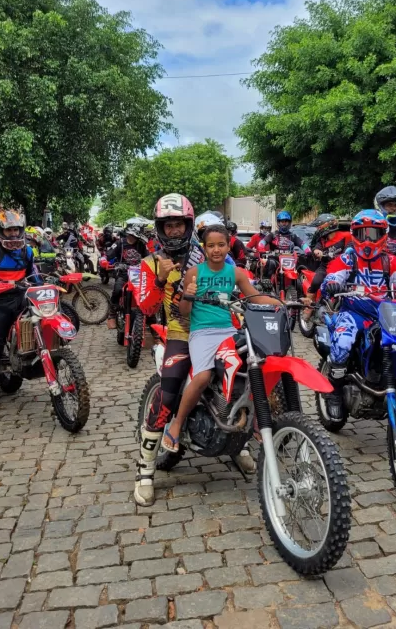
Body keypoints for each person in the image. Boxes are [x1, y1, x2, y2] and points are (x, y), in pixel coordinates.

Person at [162, 224, 277, 452]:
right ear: (204, 248)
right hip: (201, 333)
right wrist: (188, 295)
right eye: (211, 245)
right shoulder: (195, 273)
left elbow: (253, 297)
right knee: (203, 375)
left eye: (221, 245)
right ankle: (176, 424)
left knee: (252, 368)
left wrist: (281, 305)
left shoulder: (235, 273)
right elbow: (184, 310)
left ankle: (256, 421)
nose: (216, 250)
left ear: (228, 246)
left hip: (228, 331)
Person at [320, 209, 396, 421]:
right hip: (353, 313)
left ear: (383, 235)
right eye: (362, 234)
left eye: (373, 234)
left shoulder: (390, 261)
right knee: (343, 344)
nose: (367, 240)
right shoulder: (347, 258)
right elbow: (333, 276)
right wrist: (332, 284)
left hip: (385, 315)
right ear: (355, 235)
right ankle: (333, 393)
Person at [134, 193, 204, 506]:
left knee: (245, 371)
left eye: (179, 225)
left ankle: (241, 441)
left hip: (217, 329)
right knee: (169, 389)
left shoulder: (210, 255)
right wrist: (161, 280)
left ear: (189, 225)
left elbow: (236, 281)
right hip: (179, 333)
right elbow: (145, 307)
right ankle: (145, 470)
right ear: (160, 229)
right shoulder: (148, 263)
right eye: (168, 225)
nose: (174, 231)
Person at [0, 211, 40, 411]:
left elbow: (33, 272)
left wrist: (43, 284)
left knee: (40, 323)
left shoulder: (27, 251)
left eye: (16, 230)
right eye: (9, 230)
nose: (13, 234)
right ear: (1, 231)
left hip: (21, 296)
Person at [302, 214, 352, 319]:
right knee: (316, 282)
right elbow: (316, 249)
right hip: (326, 266)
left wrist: (348, 252)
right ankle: (308, 308)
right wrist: (317, 252)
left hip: (343, 268)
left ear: (326, 226)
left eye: (319, 227)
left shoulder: (346, 236)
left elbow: (351, 246)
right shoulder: (323, 240)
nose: (318, 229)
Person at [106, 224, 149, 329]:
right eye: (132, 235)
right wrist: (113, 263)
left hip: (138, 274)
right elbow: (109, 254)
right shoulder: (119, 243)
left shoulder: (141, 244)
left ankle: (150, 318)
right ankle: (112, 314)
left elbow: (148, 257)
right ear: (128, 234)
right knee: (117, 290)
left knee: (147, 292)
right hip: (123, 273)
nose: (133, 238)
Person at [258, 211, 310, 281]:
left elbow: (303, 244)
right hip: (275, 259)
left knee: (302, 267)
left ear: (289, 223)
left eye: (286, 221)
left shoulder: (293, 236)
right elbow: (262, 242)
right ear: (278, 223)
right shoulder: (273, 234)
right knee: (271, 263)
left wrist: (309, 252)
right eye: (282, 221)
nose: (284, 224)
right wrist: (261, 248)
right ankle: (266, 283)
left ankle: (300, 288)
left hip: (291, 261)